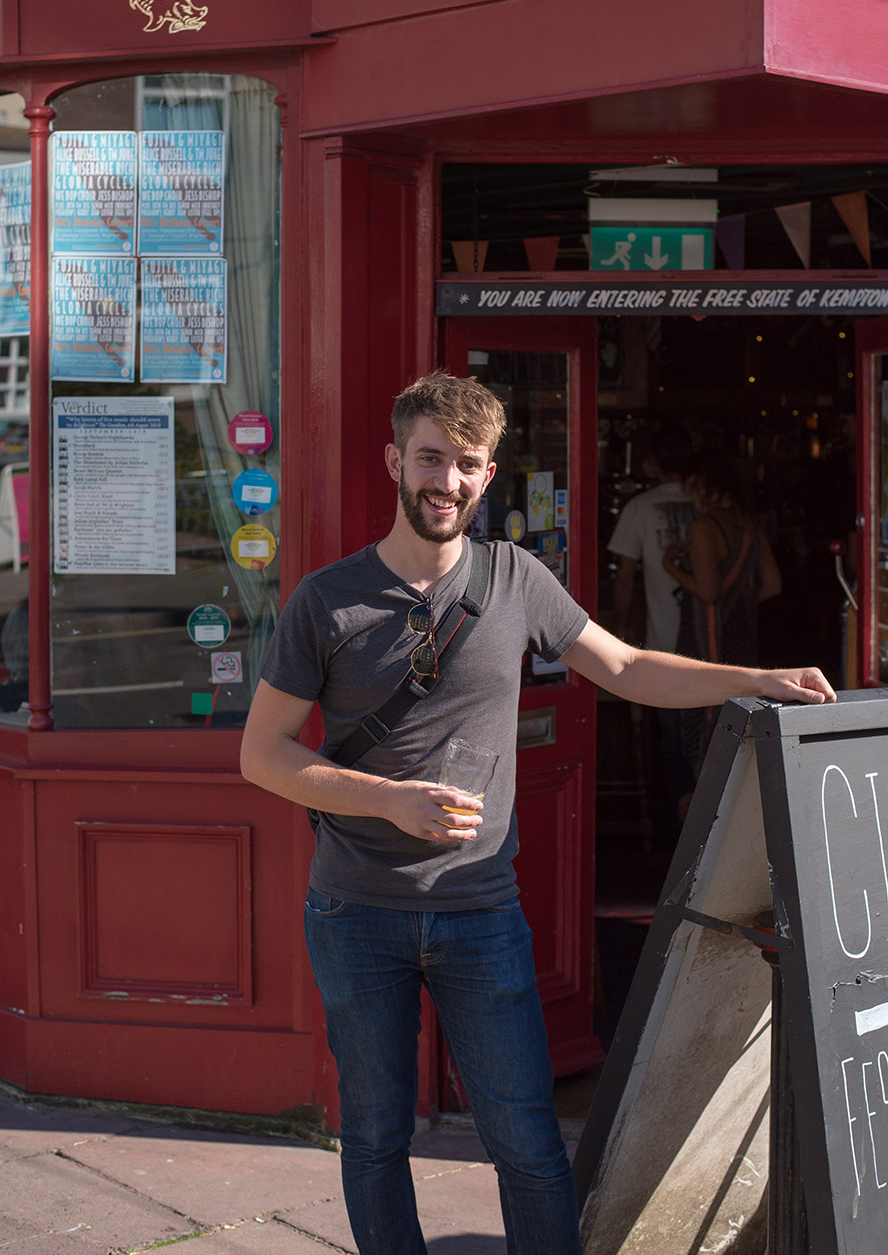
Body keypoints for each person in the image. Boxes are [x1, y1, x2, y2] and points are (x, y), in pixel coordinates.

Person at [240, 371, 834, 1255]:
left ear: (486, 479)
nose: (445, 480)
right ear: (395, 460)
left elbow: (628, 668)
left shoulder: (516, 577)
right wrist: (388, 801)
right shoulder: (326, 601)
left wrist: (753, 679)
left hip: (480, 912)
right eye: (431, 457)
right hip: (357, 911)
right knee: (373, 1140)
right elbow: (263, 755)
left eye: (467, 464)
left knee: (525, 1146)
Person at [662, 457, 782, 799]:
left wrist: (669, 565)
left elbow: (709, 593)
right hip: (743, 636)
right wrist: (740, 603)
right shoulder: (750, 526)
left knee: (705, 717)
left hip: (707, 639)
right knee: (740, 711)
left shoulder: (704, 526)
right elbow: (773, 584)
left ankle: (704, 813)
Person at [607, 422, 695, 819]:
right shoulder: (711, 504)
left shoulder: (639, 508)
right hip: (716, 642)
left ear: (654, 464)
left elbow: (624, 576)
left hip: (666, 644)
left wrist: (623, 624)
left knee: (675, 745)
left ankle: (681, 838)